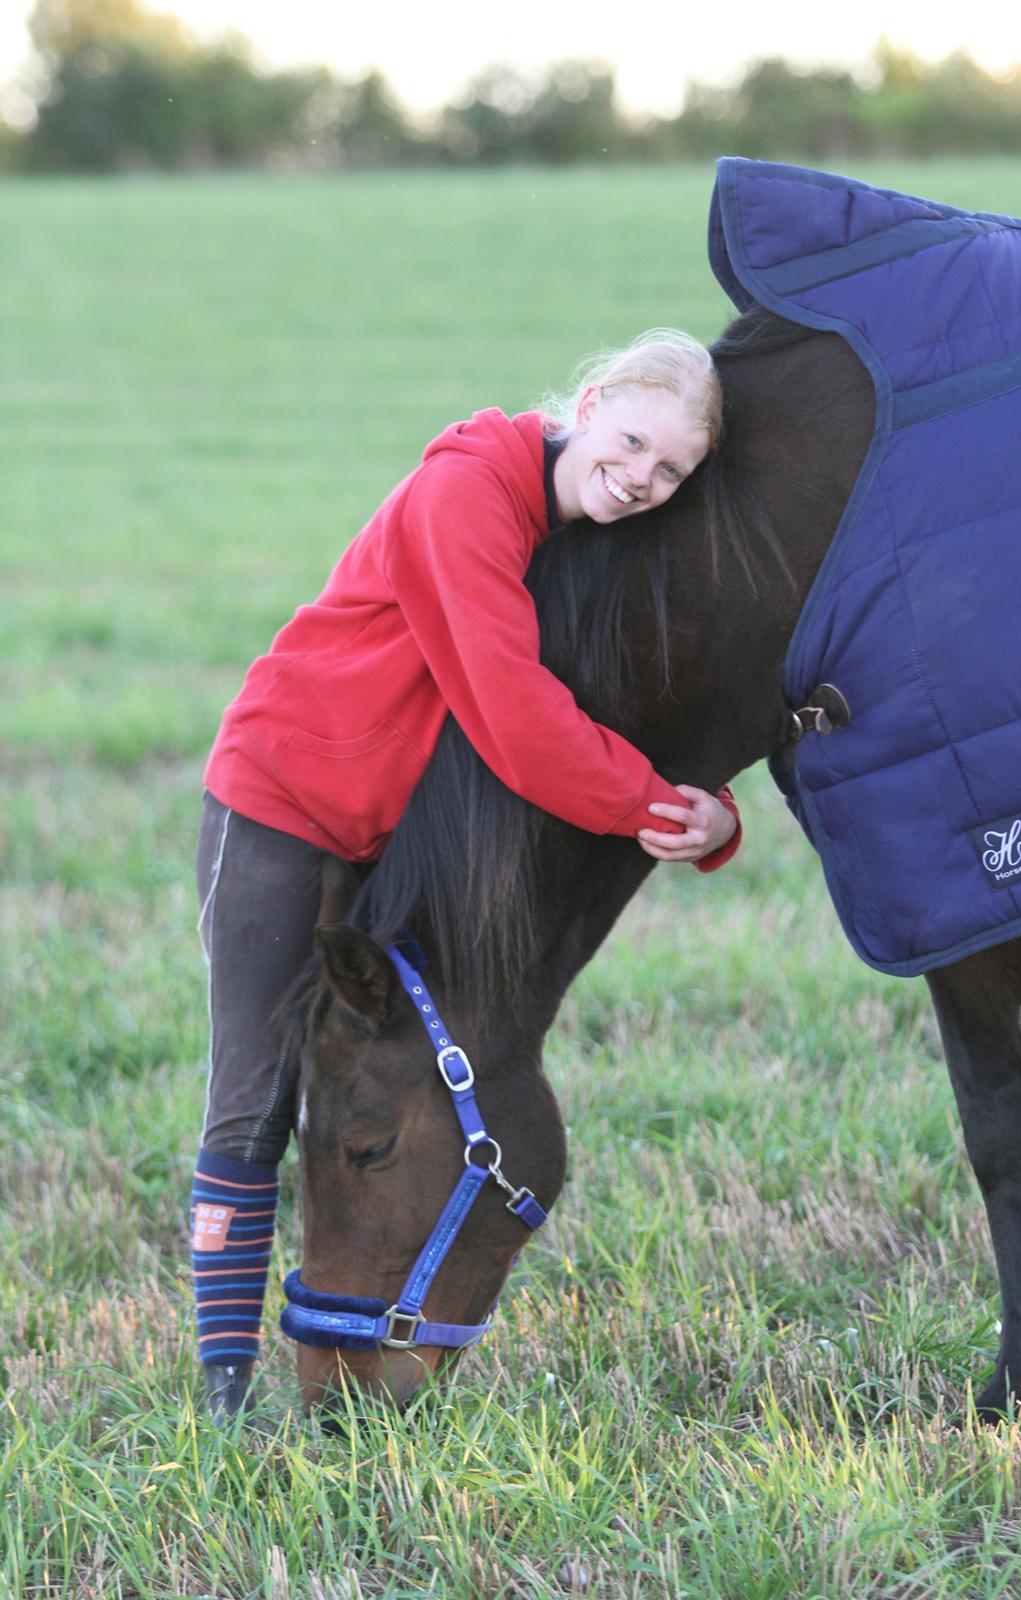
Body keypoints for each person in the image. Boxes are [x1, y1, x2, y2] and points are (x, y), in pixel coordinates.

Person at [191, 329, 742, 1420]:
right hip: (278, 802)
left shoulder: (567, 522)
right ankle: (223, 1383)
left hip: (377, 831)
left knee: (363, 1078)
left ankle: (357, 1331)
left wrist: (709, 814)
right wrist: (659, 812)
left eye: (669, 470)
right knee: (256, 1099)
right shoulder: (469, 493)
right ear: (587, 406)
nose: (640, 479)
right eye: (631, 442)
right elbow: (519, 724)